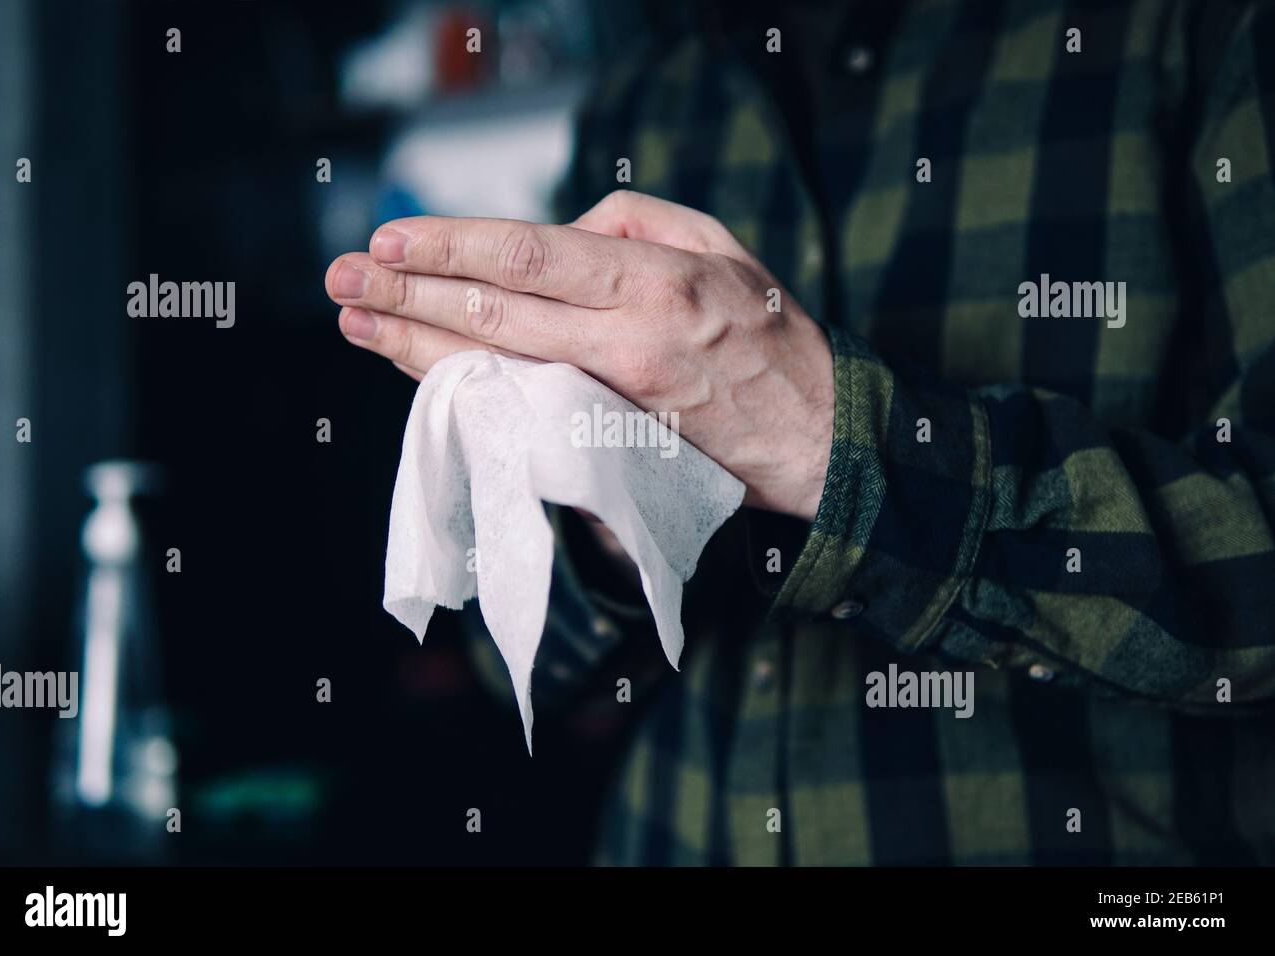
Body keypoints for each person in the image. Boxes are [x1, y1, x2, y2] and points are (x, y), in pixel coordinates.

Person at [326, 0, 1275, 865]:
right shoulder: (651, 94)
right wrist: (615, 517)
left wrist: (830, 443)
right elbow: (513, 655)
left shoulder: (1196, 34)